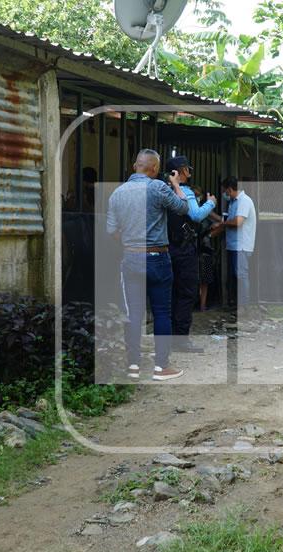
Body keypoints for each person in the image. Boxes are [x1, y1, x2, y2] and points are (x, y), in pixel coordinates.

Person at [105, 149, 192, 382]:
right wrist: (175, 184)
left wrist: (129, 242)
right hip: (158, 259)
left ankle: (133, 366)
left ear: (135, 166)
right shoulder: (158, 187)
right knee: (162, 312)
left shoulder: (117, 193)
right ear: (154, 169)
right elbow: (184, 209)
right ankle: (161, 367)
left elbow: (111, 231)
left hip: (131, 259)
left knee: (132, 315)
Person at [165, 155, 217, 353]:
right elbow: (196, 215)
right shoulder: (185, 191)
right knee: (186, 294)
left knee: (170, 293)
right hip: (184, 250)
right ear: (181, 171)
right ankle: (181, 340)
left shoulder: (162, 189)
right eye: (187, 168)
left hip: (166, 248)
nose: (190, 172)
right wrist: (211, 203)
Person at [213, 177, 257, 308]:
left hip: (241, 245)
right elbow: (226, 219)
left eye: (225, 191)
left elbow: (238, 221)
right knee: (237, 275)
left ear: (230, 189)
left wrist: (222, 224)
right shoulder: (233, 202)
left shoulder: (244, 201)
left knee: (241, 275)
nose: (224, 194)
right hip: (235, 245)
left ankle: (245, 305)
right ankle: (240, 304)